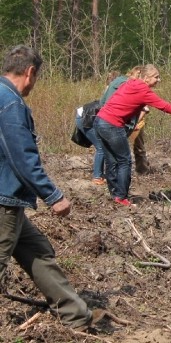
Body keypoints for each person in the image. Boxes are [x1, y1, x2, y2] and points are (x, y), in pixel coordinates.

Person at [0, 45, 96, 330]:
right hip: (4, 200)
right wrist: (53, 195)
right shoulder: (10, 102)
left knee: (38, 250)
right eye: (37, 77)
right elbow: (22, 156)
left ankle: (76, 316)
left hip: (10, 199)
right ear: (30, 72)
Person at [95, 64, 171, 206]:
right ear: (146, 78)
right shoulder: (143, 90)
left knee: (112, 159)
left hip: (100, 121)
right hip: (112, 124)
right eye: (156, 77)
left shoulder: (131, 83)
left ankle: (115, 194)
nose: (159, 80)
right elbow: (167, 107)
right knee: (125, 161)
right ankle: (121, 197)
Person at [102, 67, 150, 175]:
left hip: (135, 122)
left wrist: (136, 122)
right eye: (136, 75)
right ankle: (114, 172)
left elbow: (145, 109)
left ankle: (142, 170)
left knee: (139, 146)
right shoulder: (123, 84)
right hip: (122, 121)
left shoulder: (140, 88)